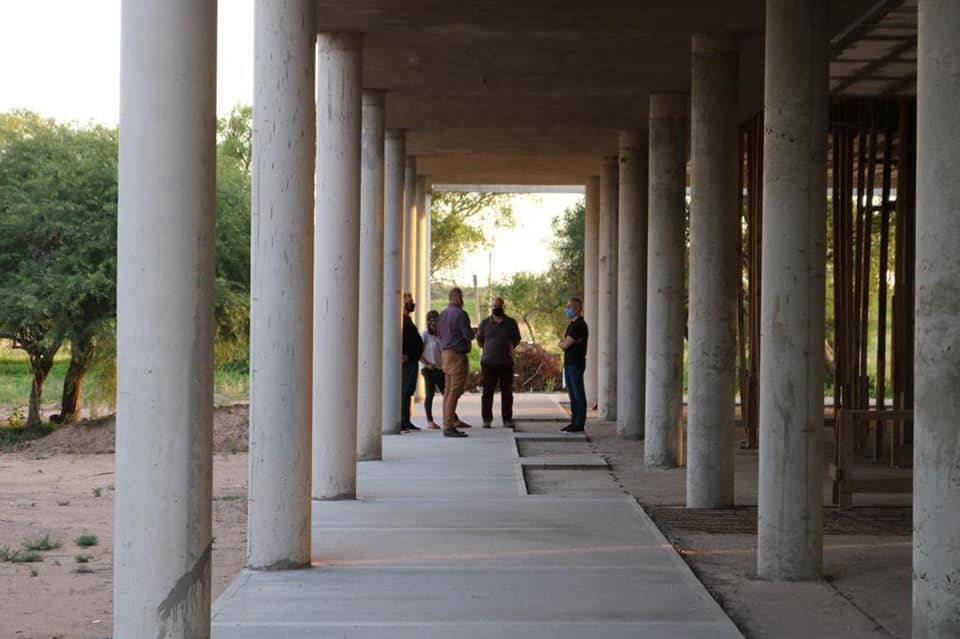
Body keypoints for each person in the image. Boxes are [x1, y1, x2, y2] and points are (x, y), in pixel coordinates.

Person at [476, 297, 522, 428]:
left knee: (507, 392)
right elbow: (480, 341)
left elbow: (516, 340)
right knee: (487, 392)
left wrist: (506, 348)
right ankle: (486, 419)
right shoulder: (485, 323)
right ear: (491, 307)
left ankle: (507, 419)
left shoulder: (511, 323)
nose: (496, 308)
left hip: (506, 362)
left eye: (499, 305)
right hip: (488, 363)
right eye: (494, 305)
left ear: (503, 306)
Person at [436, 287, 473, 437]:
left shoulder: (442, 314)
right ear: (457, 298)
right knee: (454, 392)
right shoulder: (461, 314)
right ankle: (449, 426)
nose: (463, 300)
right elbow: (468, 335)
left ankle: (447, 423)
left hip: (445, 354)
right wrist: (474, 333)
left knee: (448, 391)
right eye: (462, 296)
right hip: (457, 356)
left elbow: (439, 334)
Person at [558, 297, 588, 433]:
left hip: (576, 363)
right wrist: (564, 343)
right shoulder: (571, 325)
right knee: (572, 394)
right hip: (569, 363)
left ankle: (579, 423)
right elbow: (566, 342)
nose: (567, 309)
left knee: (578, 393)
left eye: (569, 307)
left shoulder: (579, 325)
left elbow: (565, 344)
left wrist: (562, 343)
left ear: (577, 309)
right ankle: (574, 422)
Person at [400, 292, 423, 432]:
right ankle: (402, 420)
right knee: (404, 390)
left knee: (409, 391)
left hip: (413, 360)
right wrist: (402, 354)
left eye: (412, 301)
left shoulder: (407, 319)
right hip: (407, 360)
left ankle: (407, 420)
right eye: (408, 301)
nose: (411, 304)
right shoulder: (401, 320)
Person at [420, 309, 445, 429]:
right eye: (432, 321)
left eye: (437, 320)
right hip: (428, 369)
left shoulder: (440, 336)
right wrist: (427, 363)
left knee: (447, 393)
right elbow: (418, 352)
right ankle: (430, 421)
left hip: (440, 369)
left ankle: (453, 418)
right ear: (428, 322)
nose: (435, 323)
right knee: (430, 395)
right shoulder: (425, 335)